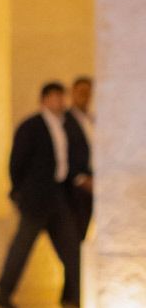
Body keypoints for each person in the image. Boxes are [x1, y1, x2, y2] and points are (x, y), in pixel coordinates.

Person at [0, 81, 82, 308]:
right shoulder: (31, 126)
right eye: (53, 97)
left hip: (58, 194)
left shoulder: (67, 125)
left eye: (60, 97)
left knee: (71, 247)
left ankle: (76, 294)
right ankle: (4, 293)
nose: (58, 101)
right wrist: (19, 192)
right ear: (44, 100)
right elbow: (17, 162)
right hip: (35, 199)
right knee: (22, 247)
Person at [65, 73, 94, 242]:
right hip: (76, 186)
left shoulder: (92, 120)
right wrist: (80, 178)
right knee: (75, 233)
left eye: (88, 92)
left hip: (95, 182)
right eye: (81, 91)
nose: (84, 96)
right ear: (73, 93)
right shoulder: (65, 121)